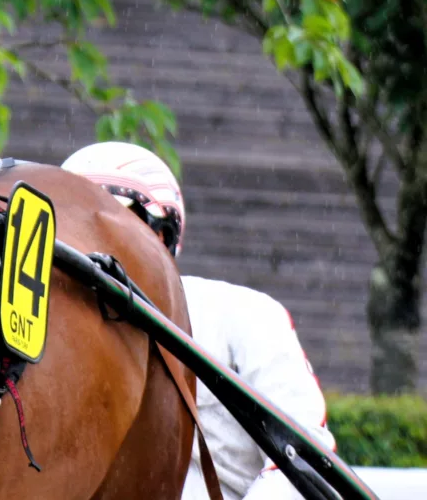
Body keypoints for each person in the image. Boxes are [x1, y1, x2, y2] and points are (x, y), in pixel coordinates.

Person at [61, 141, 336, 500]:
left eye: (109, 222)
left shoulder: (242, 313)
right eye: (72, 226)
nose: (87, 243)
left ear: (161, 234)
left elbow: (305, 457)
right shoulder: (51, 346)